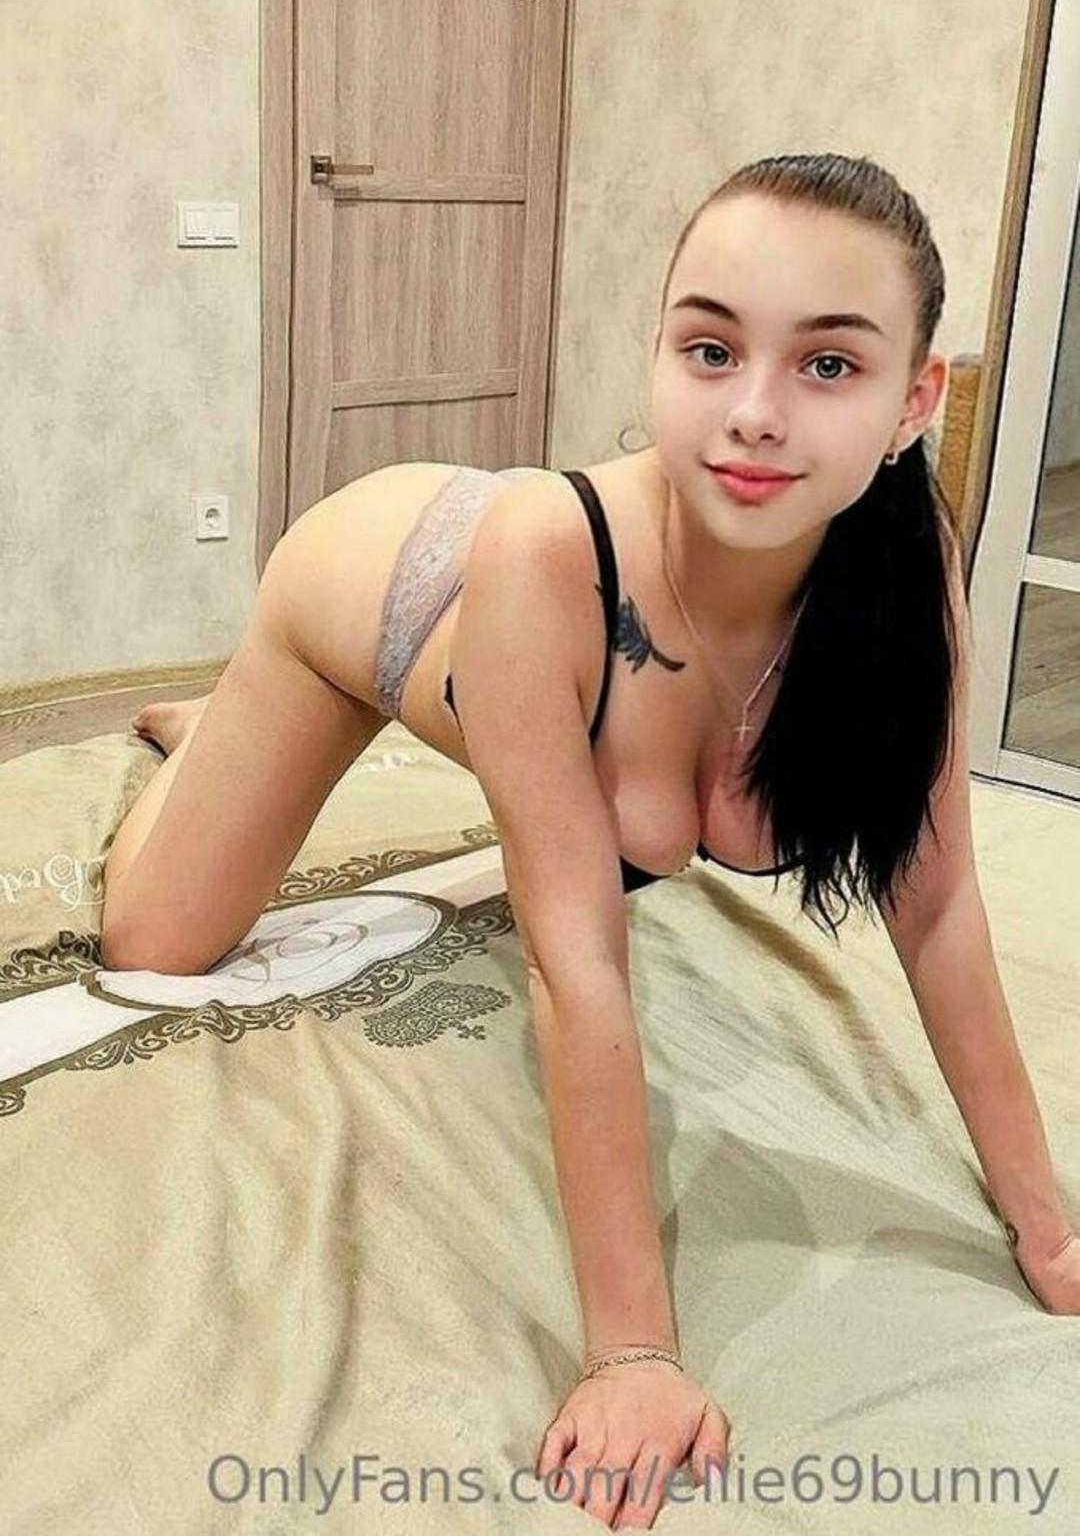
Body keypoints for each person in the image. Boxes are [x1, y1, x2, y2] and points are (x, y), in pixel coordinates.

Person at [100, 152, 1078, 1531]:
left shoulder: (906, 584)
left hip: (534, 653)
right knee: (155, 940)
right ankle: (218, 730)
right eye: (710, 349)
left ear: (915, 400)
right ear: (660, 350)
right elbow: (576, 963)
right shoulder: (540, 552)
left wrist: (1050, 1225)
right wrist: (632, 1353)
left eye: (828, 366)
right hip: (383, 594)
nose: (753, 412)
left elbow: (940, 906)